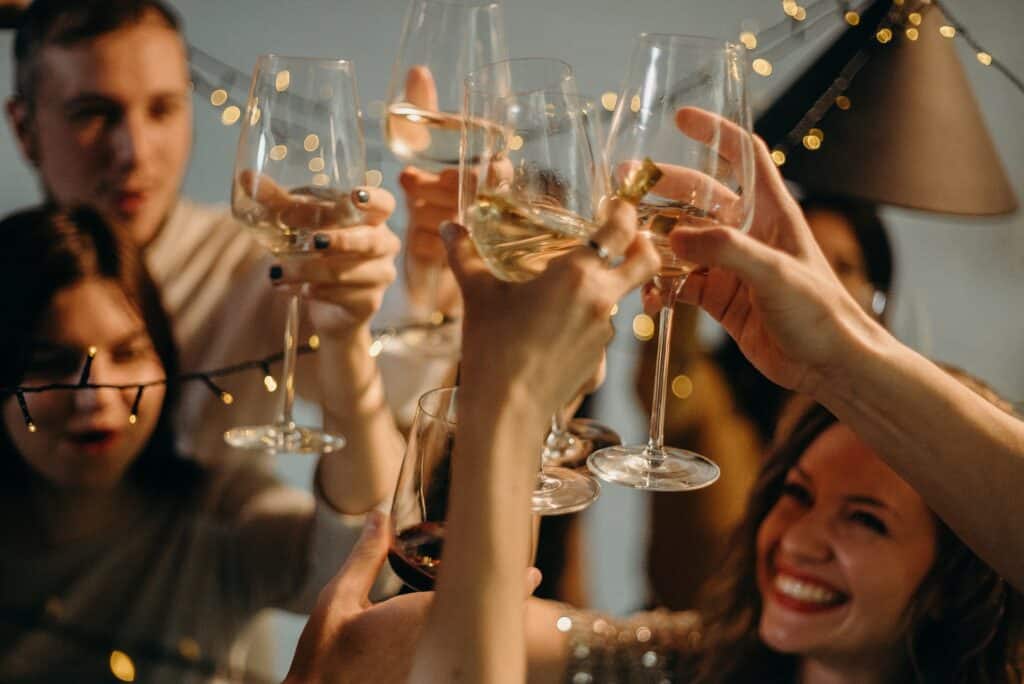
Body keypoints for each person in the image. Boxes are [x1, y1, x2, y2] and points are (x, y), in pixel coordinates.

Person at [281, 107, 1024, 683]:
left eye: (865, 521)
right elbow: (403, 652)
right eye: (793, 495)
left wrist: (510, 401)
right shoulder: (688, 661)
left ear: (959, 578)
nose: (797, 538)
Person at [0, 206, 398, 683]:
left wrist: (345, 340)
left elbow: (364, 567)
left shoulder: (217, 517)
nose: (96, 395)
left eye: (127, 353)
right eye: (52, 362)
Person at [5, 0, 405, 472]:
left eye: (162, 109)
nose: (135, 151)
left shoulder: (259, 264)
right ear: (24, 129)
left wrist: (413, 283)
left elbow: (403, 390)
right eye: (94, 113)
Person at [641, 194, 895, 610]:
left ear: (877, 300)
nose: (815, 282)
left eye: (843, 267)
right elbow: (667, 383)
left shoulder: (878, 438)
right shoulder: (711, 391)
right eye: (798, 259)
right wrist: (682, 266)